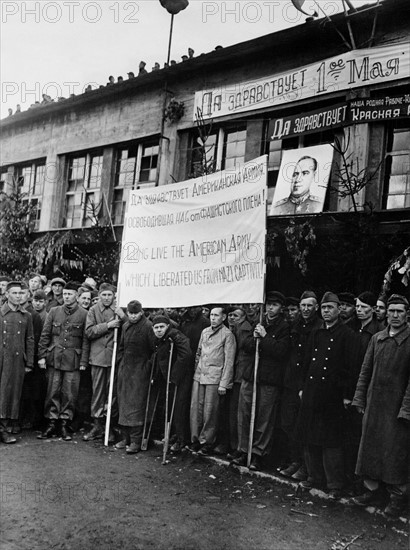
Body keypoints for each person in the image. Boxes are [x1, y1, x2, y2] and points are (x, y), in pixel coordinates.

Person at [351, 294, 410, 517]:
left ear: (407, 314)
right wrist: (359, 399)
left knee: (396, 455)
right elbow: (365, 372)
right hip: (374, 407)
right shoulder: (377, 339)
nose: (395, 315)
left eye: (399, 311)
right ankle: (371, 491)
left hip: (397, 411)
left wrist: (406, 410)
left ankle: (397, 499)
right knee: (371, 451)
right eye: (392, 311)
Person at [297, 292, 353, 499]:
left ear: (338, 310)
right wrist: (302, 387)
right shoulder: (316, 333)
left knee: (331, 441)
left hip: (332, 396)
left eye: (330, 308)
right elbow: (306, 362)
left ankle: (335, 484)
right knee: (309, 435)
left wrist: (347, 394)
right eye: (324, 308)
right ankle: (314, 476)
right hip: (312, 392)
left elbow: (350, 367)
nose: (327, 311)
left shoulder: (347, 334)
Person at [233, 291, 290, 470]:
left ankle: (258, 453)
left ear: (281, 308)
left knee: (264, 418)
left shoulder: (284, 327)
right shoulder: (258, 322)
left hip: (269, 379)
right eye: (269, 304)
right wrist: (256, 337)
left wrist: (265, 338)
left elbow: (281, 351)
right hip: (251, 375)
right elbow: (246, 344)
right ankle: (243, 450)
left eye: (275, 305)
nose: (270, 308)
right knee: (244, 414)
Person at [343, 291, 384, 493]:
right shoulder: (352, 328)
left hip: (365, 390)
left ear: (373, 310)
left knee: (361, 439)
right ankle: (347, 479)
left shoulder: (377, 332)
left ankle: (361, 485)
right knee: (347, 437)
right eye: (357, 307)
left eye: (364, 308)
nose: (359, 311)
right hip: (350, 386)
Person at [37, 282, 89, 440]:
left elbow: (86, 340)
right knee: (52, 391)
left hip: (73, 360)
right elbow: (45, 335)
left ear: (77, 296)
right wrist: (41, 356)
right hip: (54, 358)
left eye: (70, 294)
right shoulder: (54, 311)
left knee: (69, 393)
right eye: (65, 294)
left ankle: (64, 424)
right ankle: (52, 423)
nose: (66, 297)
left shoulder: (84, 314)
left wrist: (83, 361)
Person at [280, 290, 322, 481]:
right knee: (288, 423)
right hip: (291, 382)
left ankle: (307, 467)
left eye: (309, 306)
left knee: (305, 426)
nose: (305, 309)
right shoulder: (295, 325)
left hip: (307, 384)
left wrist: (304, 386)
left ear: (316, 307)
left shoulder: (320, 327)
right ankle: (294, 460)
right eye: (303, 305)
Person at [189, 306, 236, 455]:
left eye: (217, 315)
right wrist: (197, 370)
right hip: (200, 375)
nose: (213, 318)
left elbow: (229, 361)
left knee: (210, 412)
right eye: (211, 315)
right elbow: (198, 353)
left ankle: (207, 442)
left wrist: (224, 383)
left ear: (224, 317)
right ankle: (195, 439)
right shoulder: (205, 331)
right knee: (196, 410)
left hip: (214, 378)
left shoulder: (227, 335)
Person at [82, 283, 125, 442]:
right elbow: (89, 332)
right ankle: (97, 425)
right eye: (104, 295)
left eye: (110, 295)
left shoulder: (118, 311)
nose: (107, 298)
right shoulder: (93, 311)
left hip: (114, 358)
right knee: (98, 392)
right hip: (99, 358)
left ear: (114, 296)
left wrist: (121, 317)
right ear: (99, 296)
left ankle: (109, 425)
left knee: (111, 394)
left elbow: (128, 327)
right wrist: (108, 325)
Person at [116, 300, 154, 453]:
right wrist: (120, 364)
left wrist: (147, 368)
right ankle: (126, 438)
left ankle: (136, 441)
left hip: (140, 372)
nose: (132, 316)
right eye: (130, 313)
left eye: (135, 313)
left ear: (141, 312)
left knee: (136, 405)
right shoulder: (125, 326)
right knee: (123, 403)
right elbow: (121, 347)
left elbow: (153, 351)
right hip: (125, 370)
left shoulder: (148, 327)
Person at [150, 315, 192, 454]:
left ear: (167, 326)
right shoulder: (159, 339)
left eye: (162, 327)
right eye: (156, 328)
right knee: (170, 407)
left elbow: (185, 354)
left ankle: (181, 439)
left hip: (179, 378)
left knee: (178, 407)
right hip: (167, 377)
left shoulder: (175, 335)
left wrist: (174, 375)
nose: (159, 330)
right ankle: (174, 434)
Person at [0, 281, 34, 443]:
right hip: (2, 360)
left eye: (20, 293)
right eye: (14, 293)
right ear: (7, 295)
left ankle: (7, 427)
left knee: (13, 394)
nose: (18, 296)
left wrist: (29, 363)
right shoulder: (1, 313)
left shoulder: (26, 315)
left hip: (17, 361)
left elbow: (30, 339)